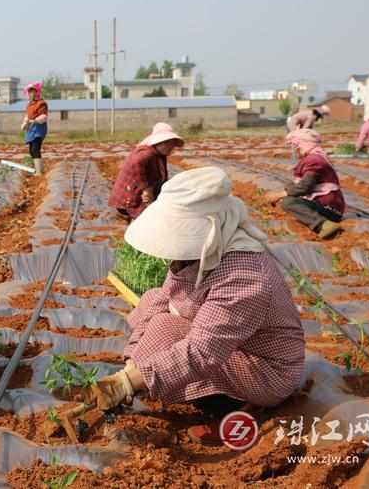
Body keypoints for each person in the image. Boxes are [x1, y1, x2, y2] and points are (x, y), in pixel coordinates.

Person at [81, 167, 305, 446]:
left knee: (169, 335)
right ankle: (161, 382)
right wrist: (131, 365)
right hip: (232, 349)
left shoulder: (245, 276)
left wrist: (131, 382)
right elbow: (163, 298)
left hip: (264, 369)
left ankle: (238, 408)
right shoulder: (201, 254)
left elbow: (202, 351)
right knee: (154, 308)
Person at [267, 129, 346, 239]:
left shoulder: (313, 160)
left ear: (302, 145)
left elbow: (305, 187)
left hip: (330, 208)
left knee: (288, 202)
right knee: (289, 195)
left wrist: (281, 195)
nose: (294, 150)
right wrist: (285, 191)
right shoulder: (316, 156)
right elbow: (299, 184)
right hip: (331, 205)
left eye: (295, 146)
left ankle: (324, 224)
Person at [108, 122, 185, 220]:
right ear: (157, 142)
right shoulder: (147, 152)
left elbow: (161, 178)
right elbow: (136, 162)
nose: (171, 147)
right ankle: (134, 223)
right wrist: (145, 188)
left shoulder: (160, 154)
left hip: (142, 191)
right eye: (167, 143)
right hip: (130, 196)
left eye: (172, 144)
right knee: (145, 219)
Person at [21, 82, 48, 173]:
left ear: (37, 92)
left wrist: (35, 120)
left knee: (35, 149)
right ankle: (40, 168)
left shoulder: (41, 103)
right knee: (31, 151)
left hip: (38, 129)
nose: (31, 93)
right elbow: (27, 116)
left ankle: (39, 171)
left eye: (33, 91)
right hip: (31, 129)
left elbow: (44, 116)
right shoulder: (29, 105)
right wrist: (24, 123)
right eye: (30, 92)